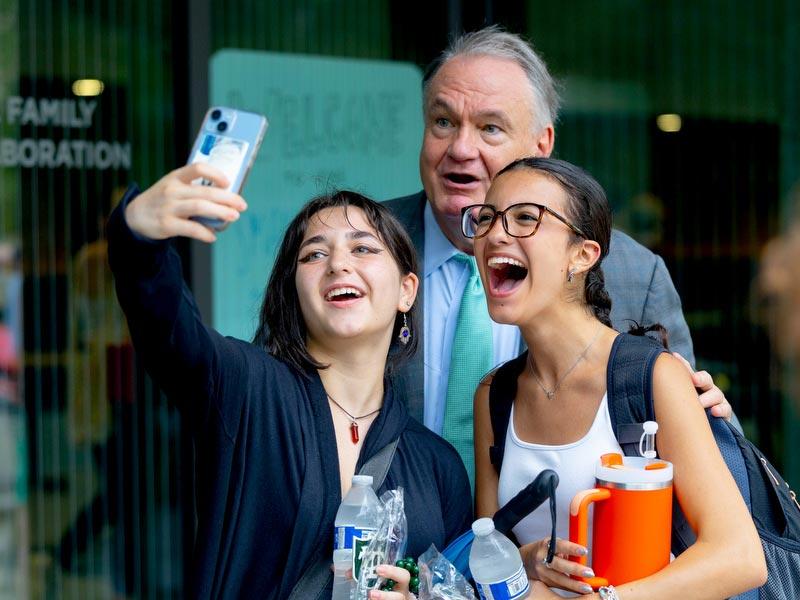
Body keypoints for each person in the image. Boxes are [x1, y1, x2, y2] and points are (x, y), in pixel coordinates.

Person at [107, 162, 471, 599]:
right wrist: (140, 237)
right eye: (314, 254)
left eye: (363, 249)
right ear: (295, 294)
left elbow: (453, 588)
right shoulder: (247, 391)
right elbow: (168, 329)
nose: (338, 263)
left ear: (406, 291)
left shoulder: (437, 465)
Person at [384, 26, 731, 482]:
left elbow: (700, 467)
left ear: (541, 146)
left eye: (490, 128)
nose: (460, 149)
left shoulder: (630, 273)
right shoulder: (361, 249)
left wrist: (712, 420)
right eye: (443, 122)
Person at [472, 157, 766, 599]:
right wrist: (524, 561)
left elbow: (740, 557)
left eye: (525, 218)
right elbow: (490, 553)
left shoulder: (652, 376)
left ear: (582, 254)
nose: (495, 234)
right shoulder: (494, 395)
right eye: (486, 218)